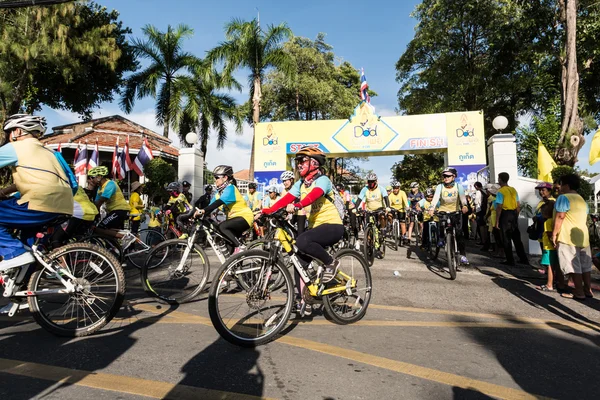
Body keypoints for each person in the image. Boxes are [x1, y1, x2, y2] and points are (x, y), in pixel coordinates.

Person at [0, 114, 74, 271]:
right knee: (30, 246)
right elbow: (41, 181)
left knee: (18, 252)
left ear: (18, 131)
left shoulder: (17, 147)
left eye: (9, 132)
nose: (8, 137)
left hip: (40, 202)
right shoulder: (49, 151)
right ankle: (25, 287)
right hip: (64, 205)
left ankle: (13, 253)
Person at [260, 146, 343, 283]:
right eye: (297, 161)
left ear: (314, 163)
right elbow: (286, 199)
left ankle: (331, 263)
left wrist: (298, 205)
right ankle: (301, 301)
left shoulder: (323, 180)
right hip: (315, 228)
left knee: (302, 241)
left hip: (333, 225)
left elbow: (314, 195)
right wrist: (267, 211)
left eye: (302, 161)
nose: (299, 164)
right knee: (299, 264)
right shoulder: (300, 184)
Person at [551, 173, 593, 300]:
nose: (560, 186)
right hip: (582, 236)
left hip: (567, 236)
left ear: (567, 185)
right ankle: (587, 289)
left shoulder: (563, 198)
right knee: (585, 265)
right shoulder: (581, 199)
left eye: (562, 184)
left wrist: (554, 233)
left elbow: (560, 216)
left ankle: (579, 292)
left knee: (573, 264)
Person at [194, 165, 253, 252]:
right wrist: (198, 214)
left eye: (217, 177)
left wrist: (203, 211)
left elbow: (219, 202)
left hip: (244, 218)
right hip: (233, 220)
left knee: (223, 227)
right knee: (229, 248)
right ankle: (235, 263)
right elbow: (210, 206)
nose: (215, 180)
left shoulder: (230, 189)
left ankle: (240, 247)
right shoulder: (218, 193)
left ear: (225, 178)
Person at [429, 167, 470, 265]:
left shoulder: (458, 186)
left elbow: (463, 198)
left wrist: (464, 206)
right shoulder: (440, 186)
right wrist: (431, 208)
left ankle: (463, 255)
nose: (446, 178)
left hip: (455, 212)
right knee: (442, 225)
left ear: (454, 176)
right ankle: (442, 238)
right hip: (443, 211)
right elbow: (435, 199)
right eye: (444, 176)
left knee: (459, 234)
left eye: (448, 176)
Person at [495, 172, 529, 266]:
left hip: (505, 214)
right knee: (516, 238)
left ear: (500, 179)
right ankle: (523, 258)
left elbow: (499, 206)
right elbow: (518, 205)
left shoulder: (500, 191)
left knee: (506, 238)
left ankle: (510, 260)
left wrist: (497, 220)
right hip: (513, 214)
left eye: (499, 178)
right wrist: (516, 216)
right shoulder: (513, 190)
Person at [355, 173, 390, 256]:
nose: (370, 184)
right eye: (369, 182)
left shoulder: (381, 189)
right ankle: (369, 245)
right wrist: (355, 208)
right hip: (369, 210)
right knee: (368, 228)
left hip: (379, 209)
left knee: (382, 216)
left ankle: (382, 229)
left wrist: (388, 207)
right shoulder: (365, 189)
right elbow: (359, 199)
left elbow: (386, 199)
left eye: (372, 182)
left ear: (376, 181)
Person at [474, 182, 490, 250]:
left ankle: (483, 241)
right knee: (484, 226)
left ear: (477, 186)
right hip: (485, 210)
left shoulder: (478, 192)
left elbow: (476, 202)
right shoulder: (484, 192)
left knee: (481, 226)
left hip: (479, 210)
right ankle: (485, 241)